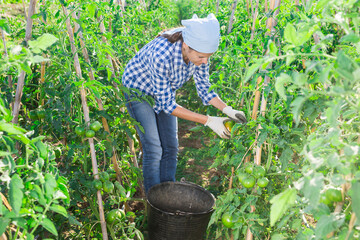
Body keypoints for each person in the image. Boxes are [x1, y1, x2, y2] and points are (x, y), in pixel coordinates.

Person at [122, 13, 246, 194]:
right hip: (138, 90)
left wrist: (227, 109)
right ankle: (154, 201)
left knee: (171, 147)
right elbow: (168, 105)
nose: (205, 62)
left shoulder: (200, 51)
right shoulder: (161, 56)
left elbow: (204, 88)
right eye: (202, 57)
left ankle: (168, 195)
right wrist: (209, 120)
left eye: (208, 57)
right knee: (154, 147)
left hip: (163, 91)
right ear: (186, 47)